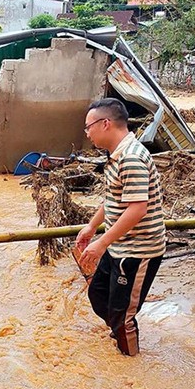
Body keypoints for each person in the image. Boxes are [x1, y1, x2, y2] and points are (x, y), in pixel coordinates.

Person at [76, 98, 166, 356]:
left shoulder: (131, 158)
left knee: (123, 314)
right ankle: (119, 333)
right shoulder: (116, 155)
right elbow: (114, 198)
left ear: (105, 124)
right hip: (119, 244)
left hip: (138, 249)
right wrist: (92, 227)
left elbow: (138, 209)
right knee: (98, 295)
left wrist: (101, 243)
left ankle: (131, 365)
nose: (87, 133)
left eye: (88, 127)